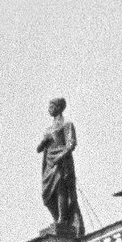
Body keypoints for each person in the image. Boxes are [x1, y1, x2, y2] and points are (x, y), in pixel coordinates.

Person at [38, 97, 80, 234]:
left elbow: (71, 144)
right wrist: (44, 142)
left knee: (60, 188)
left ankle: (62, 220)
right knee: (46, 196)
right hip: (49, 162)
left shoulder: (67, 124)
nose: (49, 109)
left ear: (58, 107)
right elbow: (38, 149)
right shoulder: (48, 129)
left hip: (61, 161)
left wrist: (60, 156)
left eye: (51, 106)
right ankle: (57, 218)